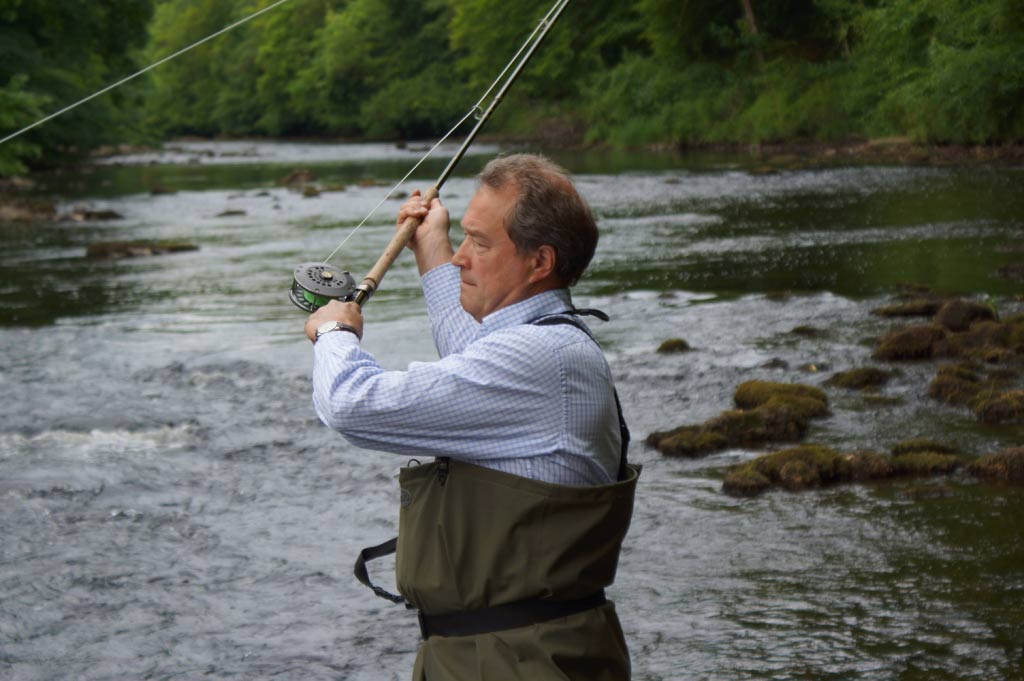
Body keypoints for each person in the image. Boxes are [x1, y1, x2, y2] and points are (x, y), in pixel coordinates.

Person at [304, 154, 639, 680]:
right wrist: (430, 244)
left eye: (479, 244)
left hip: (522, 661)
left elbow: (350, 402)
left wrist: (333, 333)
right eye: (462, 237)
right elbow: (469, 346)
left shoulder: (540, 358)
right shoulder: (538, 342)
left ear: (539, 262)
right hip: (500, 652)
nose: (462, 257)